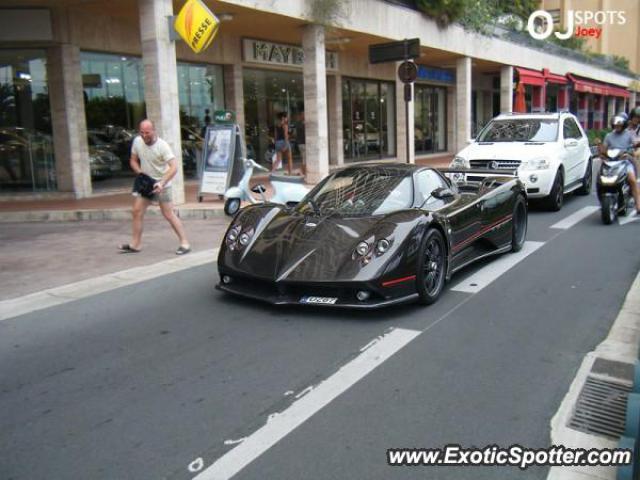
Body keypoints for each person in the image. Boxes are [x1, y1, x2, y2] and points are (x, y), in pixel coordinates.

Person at [118, 119, 191, 255]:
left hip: (162, 183)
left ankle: (185, 243)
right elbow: (133, 160)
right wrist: (139, 172)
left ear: (153, 131)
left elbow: (174, 167)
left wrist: (162, 182)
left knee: (168, 214)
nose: (144, 136)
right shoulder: (137, 142)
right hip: (146, 183)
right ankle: (135, 244)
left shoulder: (162, 146)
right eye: (142, 132)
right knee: (136, 211)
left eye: (147, 133)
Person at [601, 115, 640, 213]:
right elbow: (604, 149)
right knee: (601, 178)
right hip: (611, 162)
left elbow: (635, 145)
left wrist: (633, 149)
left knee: (632, 179)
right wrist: (602, 153)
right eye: (615, 125)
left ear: (624, 126)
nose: (617, 127)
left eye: (619, 126)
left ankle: (638, 204)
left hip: (625, 162)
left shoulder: (629, 134)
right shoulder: (608, 136)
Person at [294, 111, 306, 176]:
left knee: (304, 159)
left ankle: (301, 171)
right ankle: (303, 173)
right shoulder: (300, 124)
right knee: (305, 159)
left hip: (301, 143)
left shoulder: (299, 123)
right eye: (303, 114)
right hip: (302, 143)